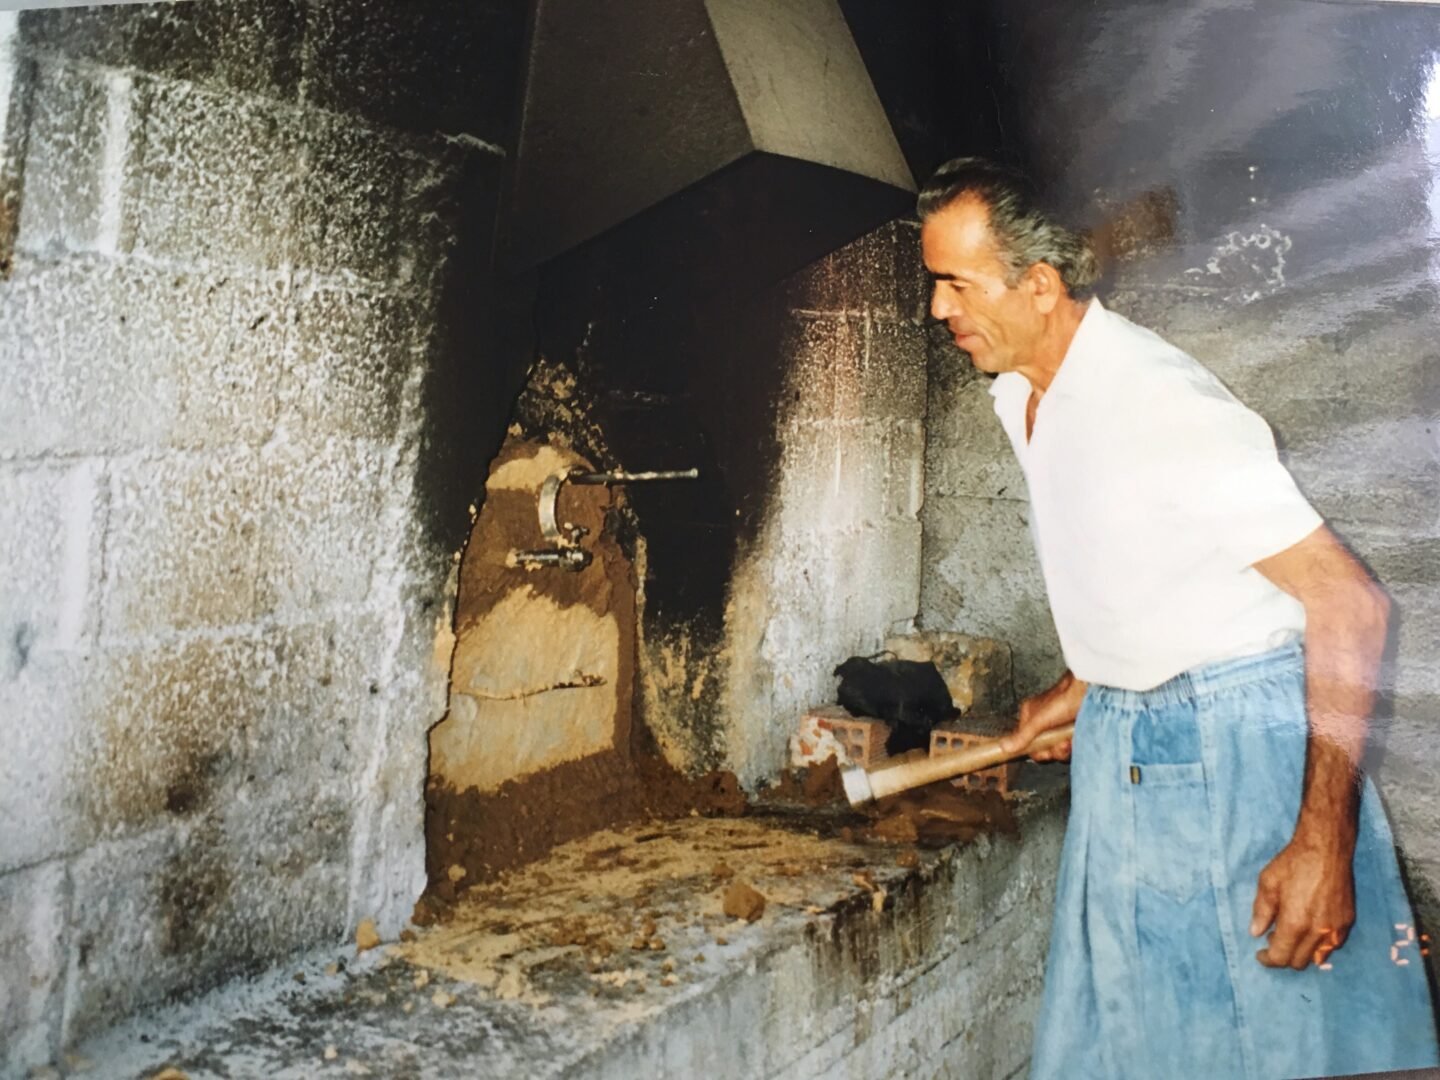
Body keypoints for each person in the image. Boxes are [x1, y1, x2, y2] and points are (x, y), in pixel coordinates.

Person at [917, 157, 1439, 1079]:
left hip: (1239, 760)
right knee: (1129, 1048)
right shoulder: (1022, 392)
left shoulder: (1160, 405)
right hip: (1134, 752)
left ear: (1039, 287)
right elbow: (1154, 567)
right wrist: (1086, 684)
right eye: (934, 284)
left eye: (956, 284)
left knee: (1252, 1050)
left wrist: (1322, 842)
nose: (937, 310)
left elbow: (1349, 604)